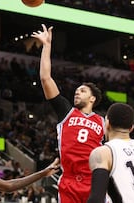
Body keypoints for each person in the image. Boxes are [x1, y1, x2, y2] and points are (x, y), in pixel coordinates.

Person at [32, 24, 105, 203]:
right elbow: (45, 78)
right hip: (69, 181)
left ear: (93, 98)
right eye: (76, 91)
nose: (77, 92)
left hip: (94, 181)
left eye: (82, 91)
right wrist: (47, 46)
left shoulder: (103, 122)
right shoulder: (66, 111)